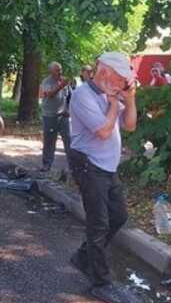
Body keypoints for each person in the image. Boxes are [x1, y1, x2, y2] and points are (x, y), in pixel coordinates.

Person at [68, 51, 138, 303]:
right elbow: (104, 132)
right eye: (121, 79)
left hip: (108, 168)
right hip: (88, 166)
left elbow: (129, 125)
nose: (123, 84)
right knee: (98, 224)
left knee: (119, 216)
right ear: (105, 72)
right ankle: (100, 282)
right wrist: (112, 104)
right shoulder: (82, 95)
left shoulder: (114, 94)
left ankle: (83, 256)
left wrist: (128, 100)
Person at [39, 61, 71, 173]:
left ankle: (73, 166)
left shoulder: (64, 81)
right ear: (51, 71)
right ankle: (46, 164)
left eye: (60, 69)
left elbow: (68, 97)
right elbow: (50, 95)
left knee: (69, 140)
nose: (60, 72)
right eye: (57, 70)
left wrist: (67, 109)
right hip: (49, 116)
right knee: (49, 141)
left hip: (63, 116)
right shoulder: (46, 81)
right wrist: (61, 86)